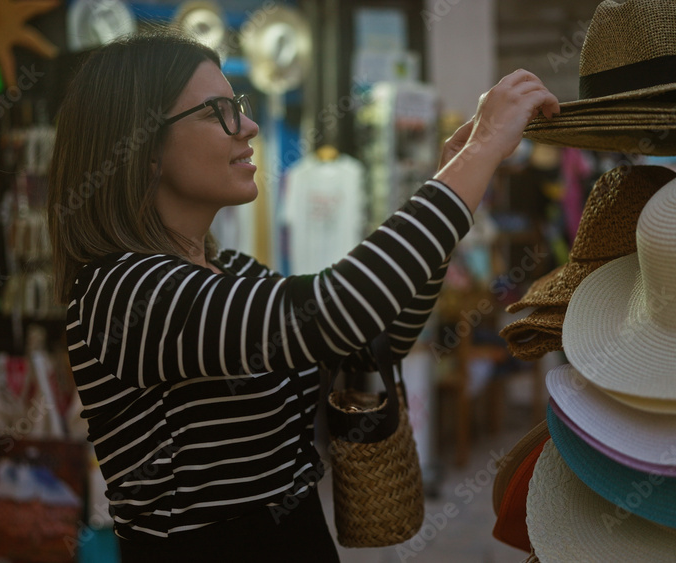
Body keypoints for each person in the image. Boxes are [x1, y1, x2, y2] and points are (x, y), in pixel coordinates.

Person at [47, 27, 558, 562]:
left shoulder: (233, 269)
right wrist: (478, 153)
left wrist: (456, 171)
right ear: (142, 149)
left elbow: (373, 339)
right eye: (217, 112)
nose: (248, 126)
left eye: (238, 106)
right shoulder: (123, 292)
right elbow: (341, 307)